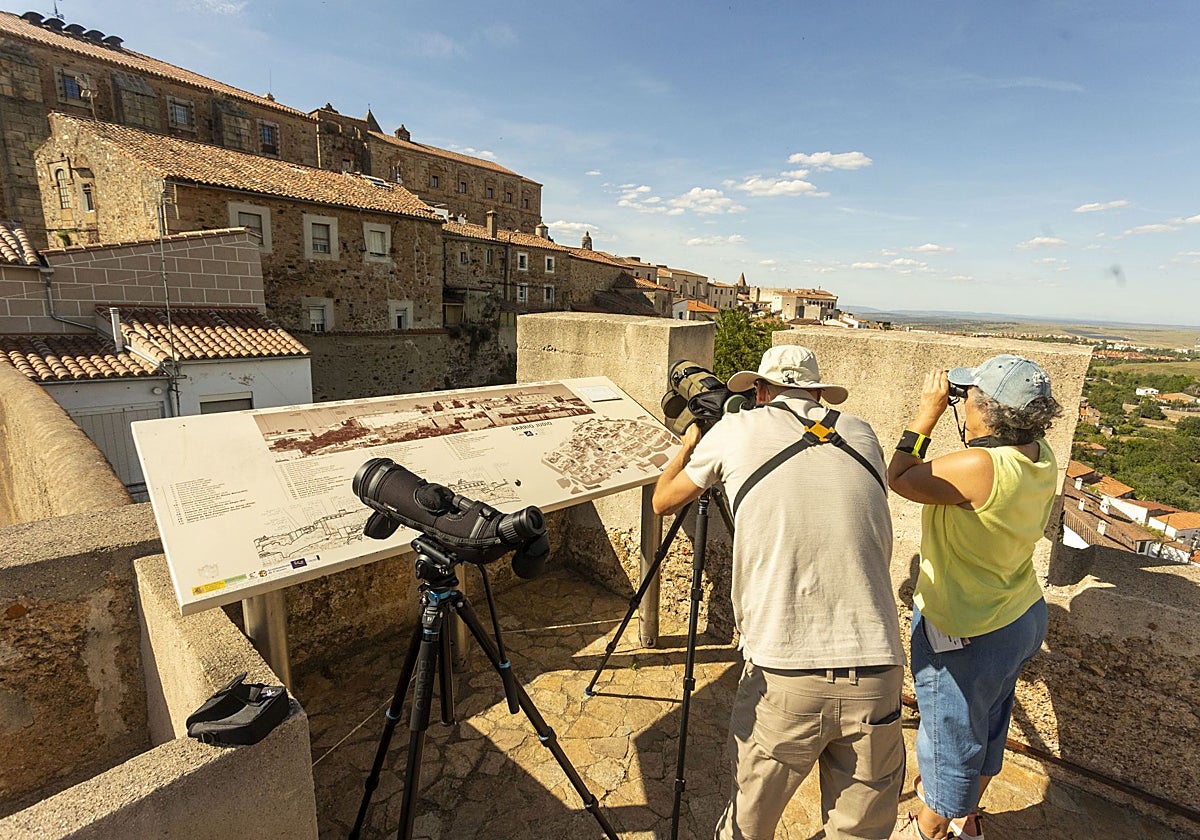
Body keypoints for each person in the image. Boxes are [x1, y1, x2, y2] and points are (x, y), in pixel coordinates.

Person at [653, 344, 906, 840]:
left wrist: (690, 444)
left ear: (762, 391)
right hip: (880, 669)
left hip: (786, 670)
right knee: (861, 832)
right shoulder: (862, 432)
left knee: (749, 824)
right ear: (816, 391)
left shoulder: (734, 431)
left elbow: (664, 500)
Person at [886, 355, 1062, 840]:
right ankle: (968, 813)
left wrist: (927, 411)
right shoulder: (1040, 454)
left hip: (965, 629)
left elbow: (898, 476)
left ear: (989, 410)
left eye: (967, 398)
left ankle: (930, 827)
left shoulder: (980, 465)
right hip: (1020, 615)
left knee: (947, 742)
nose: (961, 405)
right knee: (986, 727)